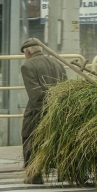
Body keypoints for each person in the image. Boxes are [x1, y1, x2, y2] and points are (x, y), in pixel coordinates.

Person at [20, 38, 67, 184]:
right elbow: (66, 90)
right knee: (58, 141)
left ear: (27, 52)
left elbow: (35, 96)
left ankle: (34, 174)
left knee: (29, 138)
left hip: (39, 112)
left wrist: (46, 114)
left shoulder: (27, 66)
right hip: (59, 110)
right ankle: (64, 173)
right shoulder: (57, 64)